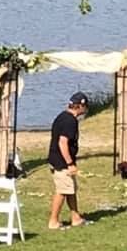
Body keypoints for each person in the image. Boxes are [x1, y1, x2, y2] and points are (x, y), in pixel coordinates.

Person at [47, 91, 90, 229]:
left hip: (57, 159)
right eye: (85, 106)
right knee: (62, 191)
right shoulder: (70, 121)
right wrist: (70, 163)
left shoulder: (62, 116)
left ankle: (75, 217)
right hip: (61, 162)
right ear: (79, 106)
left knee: (70, 189)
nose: (86, 109)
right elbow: (63, 142)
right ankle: (53, 221)